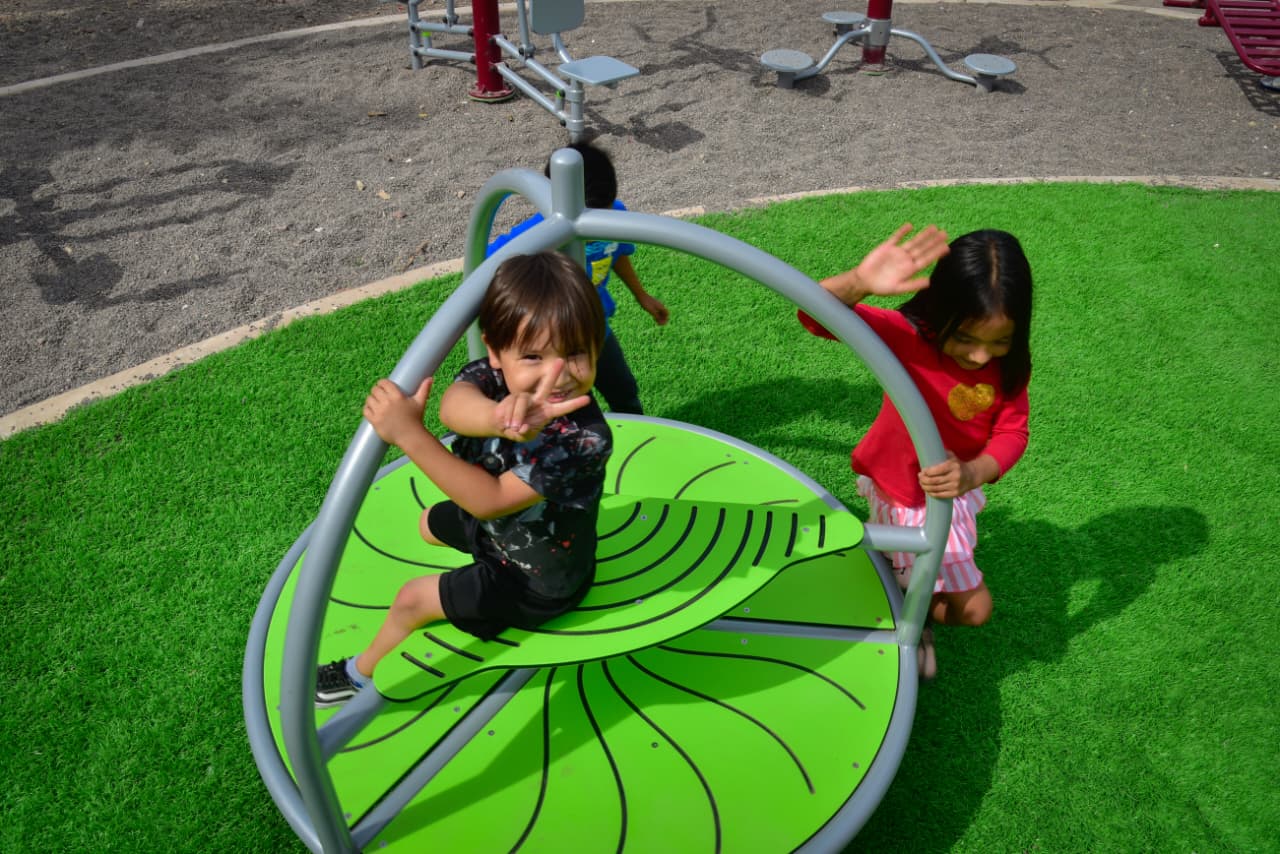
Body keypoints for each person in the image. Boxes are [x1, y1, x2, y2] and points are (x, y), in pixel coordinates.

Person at [315, 251, 613, 707]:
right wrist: (498, 419)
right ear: (495, 352)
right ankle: (475, 553)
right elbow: (452, 406)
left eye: (574, 352)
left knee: (412, 599)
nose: (555, 375)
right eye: (533, 356)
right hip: (504, 534)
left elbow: (488, 501)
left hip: (535, 582)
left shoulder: (584, 439)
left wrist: (408, 434)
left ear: (597, 345)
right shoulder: (494, 379)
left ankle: (356, 675)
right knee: (427, 524)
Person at [798, 225, 1033, 680]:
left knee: (973, 611)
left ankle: (906, 602)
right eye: (965, 337)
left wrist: (974, 472)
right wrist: (860, 282)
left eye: (1000, 342)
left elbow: (1012, 431)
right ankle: (906, 610)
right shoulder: (907, 338)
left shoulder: (1009, 366)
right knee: (920, 579)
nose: (981, 357)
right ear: (940, 310)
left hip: (952, 491)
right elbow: (813, 315)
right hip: (899, 489)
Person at [487, 141, 668, 415]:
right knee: (565, 408)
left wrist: (641, 295)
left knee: (624, 391)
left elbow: (617, 251)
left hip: (596, 330)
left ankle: (635, 429)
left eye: (603, 213)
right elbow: (486, 264)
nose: (595, 229)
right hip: (551, 342)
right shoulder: (537, 235)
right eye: (589, 220)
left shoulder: (613, 216)